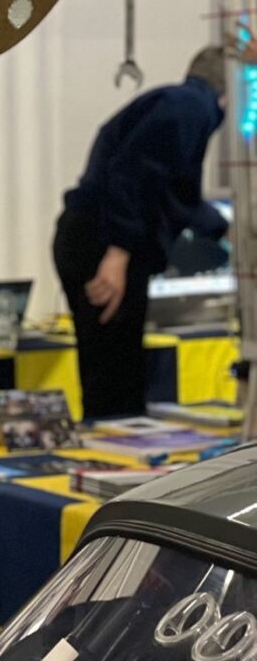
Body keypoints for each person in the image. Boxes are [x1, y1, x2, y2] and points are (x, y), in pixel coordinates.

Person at [52, 45, 229, 419]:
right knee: (115, 372)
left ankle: (113, 446)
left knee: (111, 367)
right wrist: (118, 253)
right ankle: (116, 463)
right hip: (104, 243)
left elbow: (177, 193)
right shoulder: (190, 108)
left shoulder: (174, 103)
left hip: (89, 233)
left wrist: (220, 227)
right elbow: (131, 174)